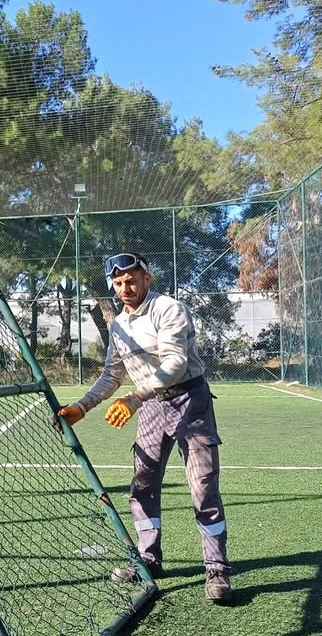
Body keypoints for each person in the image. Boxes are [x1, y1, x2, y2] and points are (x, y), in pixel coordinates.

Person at [57, 252, 232, 603]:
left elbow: (175, 362)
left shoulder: (169, 308)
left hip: (189, 400)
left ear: (147, 278)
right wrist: (82, 407)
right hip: (151, 407)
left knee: (202, 487)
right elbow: (112, 374)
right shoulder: (119, 325)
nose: (125, 288)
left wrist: (134, 398)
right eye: (118, 283)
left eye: (131, 280)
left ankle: (217, 569)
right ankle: (149, 559)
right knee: (143, 484)